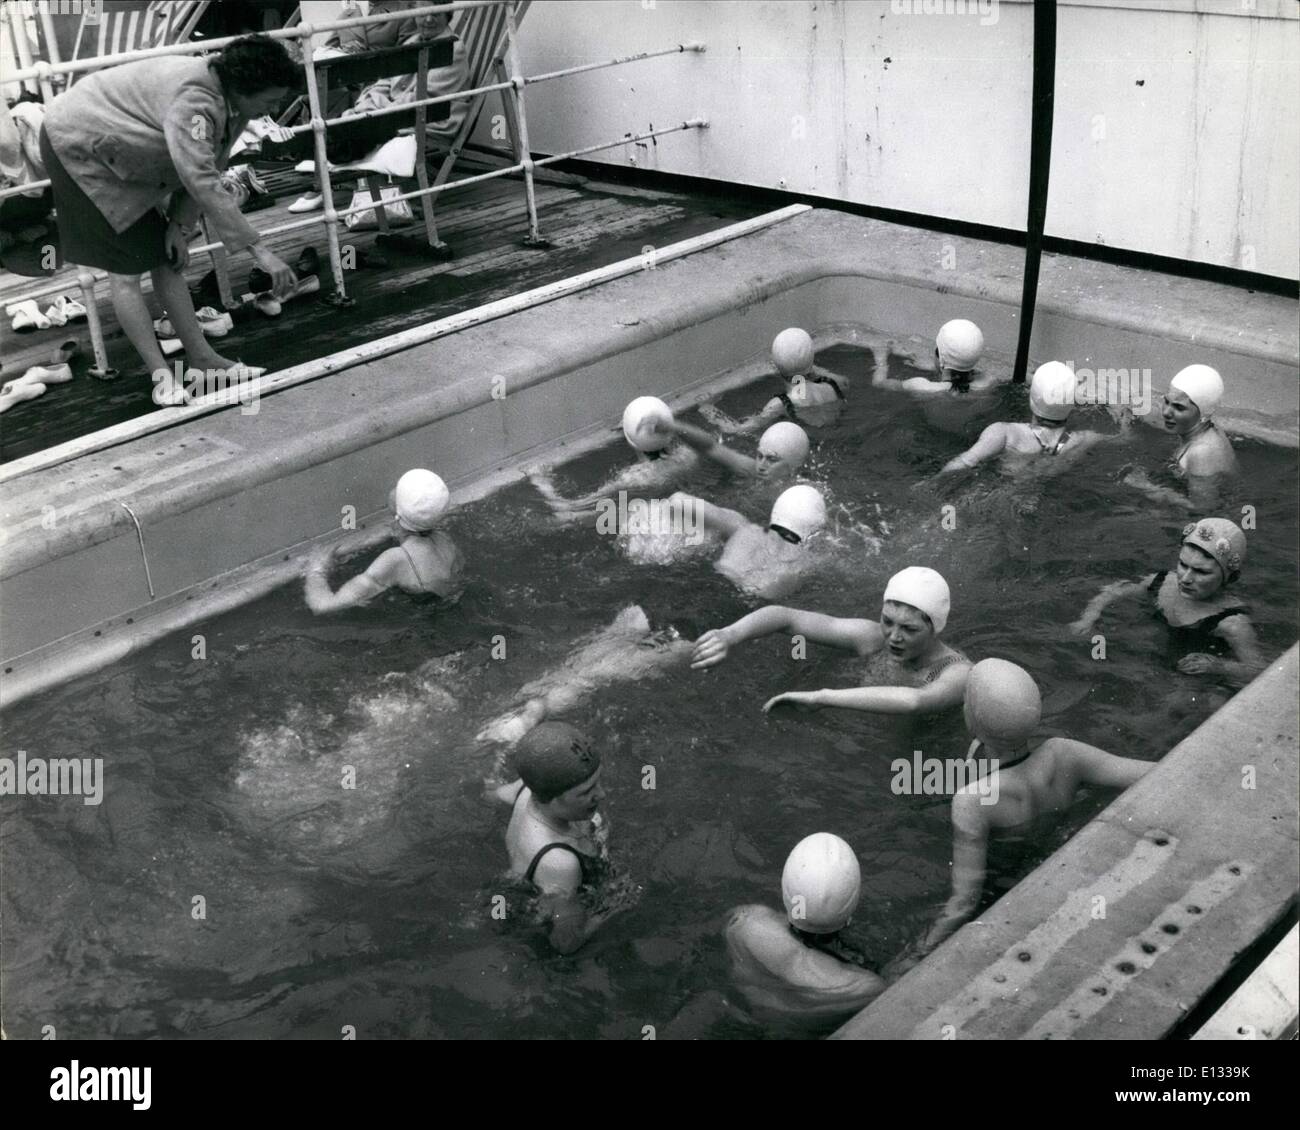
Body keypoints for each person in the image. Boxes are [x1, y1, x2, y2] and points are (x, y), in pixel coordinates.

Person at [38, 36, 300, 402]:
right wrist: (261, 252)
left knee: (169, 259)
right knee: (126, 271)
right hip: (78, 147)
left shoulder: (234, 102)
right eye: (270, 101)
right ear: (243, 87)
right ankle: (162, 377)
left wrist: (178, 227)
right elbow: (200, 176)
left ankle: (203, 359)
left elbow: (211, 164)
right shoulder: (195, 100)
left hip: (124, 146)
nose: (273, 108)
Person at [895, 659, 1153, 968]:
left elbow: (963, 902)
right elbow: (1151, 774)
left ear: (971, 721)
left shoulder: (973, 801)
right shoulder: (1065, 753)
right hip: (1059, 862)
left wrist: (913, 956)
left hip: (1006, 887)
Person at [693, 566, 971, 718]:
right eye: (888, 621)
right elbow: (787, 618)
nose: (894, 636)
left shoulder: (956, 672)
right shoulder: (872, 637)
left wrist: (822, 697)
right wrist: (730, 635)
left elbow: (916, 702)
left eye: (909, 629)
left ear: (935, 628)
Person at [288, 5, 471, 212]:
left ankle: (322, 173)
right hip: (399, 113)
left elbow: (424, 96)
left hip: (429, 120)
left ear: (447, 15)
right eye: (422, 14)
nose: (428, 20)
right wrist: (367, 106)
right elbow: (383, 83)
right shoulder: (412, 42)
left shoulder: (452, 50)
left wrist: (376, 112)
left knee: (351, 132)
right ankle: (323, 159)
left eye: (436, 14)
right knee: (349, 121)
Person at [725, 832, 885, 1036]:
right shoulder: (859, 986)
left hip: (743, 1019)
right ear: (852, 904)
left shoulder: (746, 921)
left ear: (786, 889)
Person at [1069, 518, 1263, 683]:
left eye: (1201, 571)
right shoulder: (1163, 583)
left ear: (1230, 578)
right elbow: (1115, 590)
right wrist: (1089, 616)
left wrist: (1218, 666)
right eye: (1183, 564)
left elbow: (1257, 670)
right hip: (1153, 660)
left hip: (1196, 680)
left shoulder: (1232, 622)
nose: (1185, 578)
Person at [488, 723, 621, 955]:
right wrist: (614, 907)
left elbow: (493, 795)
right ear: (553, 799)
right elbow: (565, 943)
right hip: (530, 924)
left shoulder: (529, 788)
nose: (602, 794)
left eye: (598, 782)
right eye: (586, 792)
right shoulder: (560, 862)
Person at [476, 606, 693, 746]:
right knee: (587, 670)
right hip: (582, 674)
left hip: (580, 674)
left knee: (584, 672)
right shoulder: (539, 694)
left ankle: (667, 638)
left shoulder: (540, 695)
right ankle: (665, 636)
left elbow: (537, 706)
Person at [304, 468, 463, 613]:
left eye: (398, 489)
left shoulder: (394, 560)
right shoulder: (444, 539)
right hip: (447, 601)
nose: (393, 489)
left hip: (423, 612)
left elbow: (323, 605)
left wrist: (316, 569)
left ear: (398, 512)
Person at [529, 396, 700, 525]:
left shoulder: (637, 477)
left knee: (577, 516)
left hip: (649, 522)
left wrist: (541, 481)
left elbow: (570, 506)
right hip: (680, 515)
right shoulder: (688, 455)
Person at [934, 361, 1114, 478]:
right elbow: (1123, 437)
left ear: (1031, 398)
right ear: (1072, 404)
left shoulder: (1005, 433)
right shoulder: (1083, 439)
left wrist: (931, 483)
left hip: (990, 496)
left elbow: (964, 463)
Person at [662, 483, 829, 600]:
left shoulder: (741, 526)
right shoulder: (811, 561)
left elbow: (677, 501)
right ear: (815, 531)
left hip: (709, 583)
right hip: (754, 606)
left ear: (776, 511)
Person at [1122, 365, 1238, 511]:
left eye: (1179, 407)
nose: (1166, 412)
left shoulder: (1202, 453)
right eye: (1166, 401)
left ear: (1202, 412)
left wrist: (1147, 487)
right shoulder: (1205, 429)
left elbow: (1203, 509)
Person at [699, 328, 848, 434]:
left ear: (776, 366)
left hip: (806, 441)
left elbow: (739, 429)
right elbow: (845, 381)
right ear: (812, 361)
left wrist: (707, 407)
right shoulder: (832, 384)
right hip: (836, 430)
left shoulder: (780, 403)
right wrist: (807, 366)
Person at [652, 417, 810, 487]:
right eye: (760, 456)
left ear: (794, 465)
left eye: (772, 460)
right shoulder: (751, 469)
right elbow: (710, 447)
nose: (761, 465)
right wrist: (673, 426)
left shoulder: (801, 496)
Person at [872, 319, 1002, 397]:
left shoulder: (922, 387)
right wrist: (933, 366)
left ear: (941, 360)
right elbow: (963, 368)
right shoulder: (990, 381)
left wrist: (881, 360)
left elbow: (879, 383)